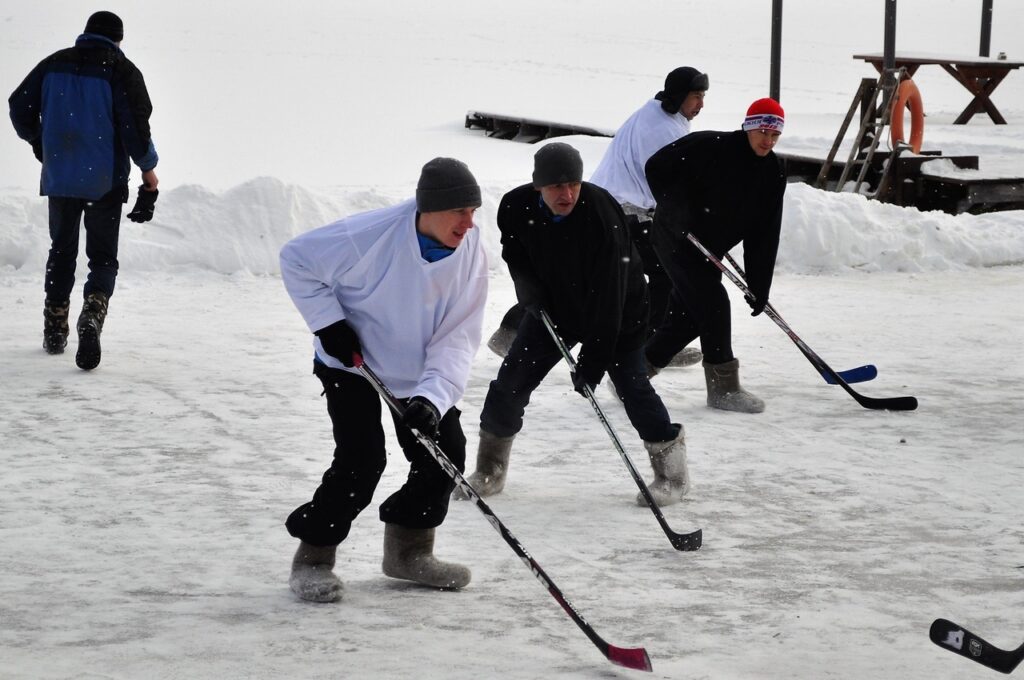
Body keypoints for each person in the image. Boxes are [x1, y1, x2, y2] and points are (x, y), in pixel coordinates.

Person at [279, 157, 488, 603]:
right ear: (428, 208)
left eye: (474, 212)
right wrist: (327, 322)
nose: (469, 223)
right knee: (362, 460)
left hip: (418, 370)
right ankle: (314, 557)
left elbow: (458, 337)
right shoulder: (368, 236)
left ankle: (408, 552)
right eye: (460, 212)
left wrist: (432, 398)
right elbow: (296, 259)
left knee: (444, 454)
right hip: (350, 361)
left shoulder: (471, 251)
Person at [457, 142, 689, 508]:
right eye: (556, 186)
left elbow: (607, 299)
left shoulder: (600, 216)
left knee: (633, 389)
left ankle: (671, 476)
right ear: (538, 186)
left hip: (621, 312)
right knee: (510, 383)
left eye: (574, 185)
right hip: (556, 309)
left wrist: (592, 366)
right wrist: (528, 290)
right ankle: (490, 469)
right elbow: (515, 253)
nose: (567, 194)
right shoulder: (516, 207)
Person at [485, 67, 709, 370]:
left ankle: (652, 343)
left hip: (614, 205)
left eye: (703, 96)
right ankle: (649, 347)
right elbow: (671, 182)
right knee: (658, 274)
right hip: (621, 211)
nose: (701, 104)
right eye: (697, 96)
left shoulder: (655, 113)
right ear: (680, 96)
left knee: (581, 274)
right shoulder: (664, 130)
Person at [8, 11, 160, 370]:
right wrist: (149, 172)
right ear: (118, 39)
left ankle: (55, 328)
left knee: (61, 250)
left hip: (60, 176)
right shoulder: (122, 71)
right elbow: (135, 128)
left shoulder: (53, 63)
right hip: (103, 180)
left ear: (86, 34)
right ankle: (92, 314)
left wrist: (40, 143)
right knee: (103, 258)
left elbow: (19, 107)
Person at [643, 98, 787, 414]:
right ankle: (723, 389)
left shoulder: (774, 171)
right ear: (748, 127)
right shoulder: (710, 145)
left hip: (710, 247)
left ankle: (634, 374)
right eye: (763, 131)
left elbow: (764, 232)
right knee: (713, 304)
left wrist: (759, 286)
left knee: (689, 318)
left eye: (775, 135)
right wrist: (673, 208)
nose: (768, 140)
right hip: (676, 238)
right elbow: (655, 166)